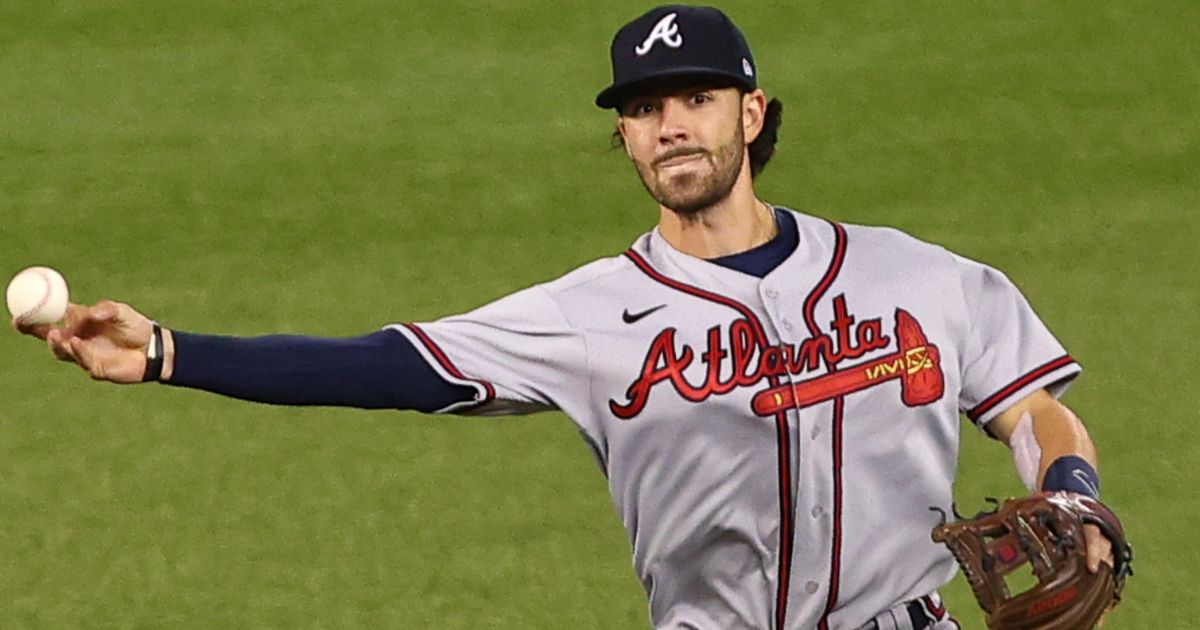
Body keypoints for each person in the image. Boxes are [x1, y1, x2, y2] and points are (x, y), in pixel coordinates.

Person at [14, 5, 1115, 629]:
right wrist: (167, 353)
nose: (670, 126)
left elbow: (1033, 410)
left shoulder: (916, 278)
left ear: (753, 110)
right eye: (643, 109)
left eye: (694, 98)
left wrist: (1073, 493)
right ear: (626, 138)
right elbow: (390, 366)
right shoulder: (592, 313)